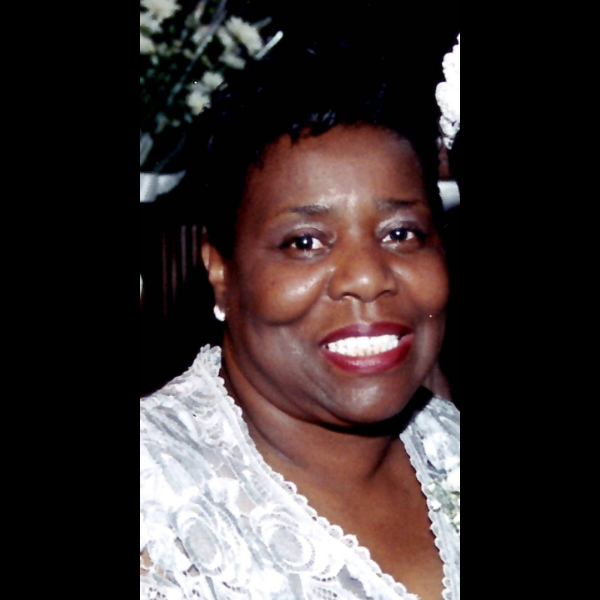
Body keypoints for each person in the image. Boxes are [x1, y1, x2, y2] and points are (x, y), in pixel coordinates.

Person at [140, 35, 460, 600]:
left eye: (401, 233)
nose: (367, 277)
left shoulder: (449, 442)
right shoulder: (157, 505)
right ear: (221, 271)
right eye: (305, 242)